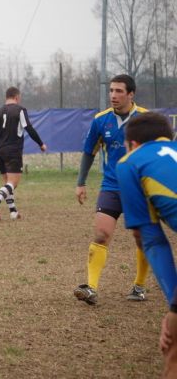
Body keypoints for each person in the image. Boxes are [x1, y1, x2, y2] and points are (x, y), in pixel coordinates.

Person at [73, 74, 150, 305]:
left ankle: (139, 286)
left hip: (140, 189)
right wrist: (80, 182)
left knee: (140, 238)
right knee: (101, 234)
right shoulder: (100, 120)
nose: (113, 95)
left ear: (131, 94)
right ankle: (91, 288)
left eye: (119, 91)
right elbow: (89, 152)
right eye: (111, 91)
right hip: (111, 186)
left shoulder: (146, 119)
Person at [115, 112, 177, 378]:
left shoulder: (130, 163)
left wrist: (174, 308)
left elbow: (149, 239)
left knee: (173, 347)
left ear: (132, 143)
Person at [0, 87, 46, 220]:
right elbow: (29, 128)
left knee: (7, 183)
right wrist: (41, 143)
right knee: (13, 182)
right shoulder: (20, 110)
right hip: (13, 151)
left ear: (6, 97)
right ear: (17, 97)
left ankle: (13, 212)